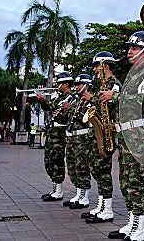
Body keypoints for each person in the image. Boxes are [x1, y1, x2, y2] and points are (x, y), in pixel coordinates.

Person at [106, 31, 144, 240]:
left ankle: (140, 229)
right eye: (129, 47)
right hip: (127, 133)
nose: (129, 51)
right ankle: (131, 222)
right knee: (126, 180)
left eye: (134, 48)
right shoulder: (133, 73)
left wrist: (114, 95)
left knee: (135, 180)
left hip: (137, 133)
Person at [80, 51, 121, 224]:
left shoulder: (115, 84)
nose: (95, 70)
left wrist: (92, 98)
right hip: (97, 133)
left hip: (106, 133)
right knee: (97, 169)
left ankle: (108, 209)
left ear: (106, 66)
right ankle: (101, 205)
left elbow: (114, 103)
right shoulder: (102, 85)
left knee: (103, 172)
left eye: (97, 66)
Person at [37, 71, 75, 201]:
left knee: (56, 161)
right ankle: (54, 189)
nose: (57, 85)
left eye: (59, 83)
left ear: (66, 83)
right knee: (49, 161)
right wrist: (42, 101)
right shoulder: (59, 97)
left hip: (59, 133)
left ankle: (58, 191)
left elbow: (61, 114)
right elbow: (49, 108)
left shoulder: (70, 97)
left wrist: (44, 100)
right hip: (52, 132)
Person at [61, 74, 93, 209]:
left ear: (86, 85)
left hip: (82, 139)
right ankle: (78, 194)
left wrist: (70, 108)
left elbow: (85, 118)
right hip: (72, 138)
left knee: (82, 167)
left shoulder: (90, 100)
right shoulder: (77, 100)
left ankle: (84, 197)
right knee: (73, 168)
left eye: (79, 84)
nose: (76, 87)